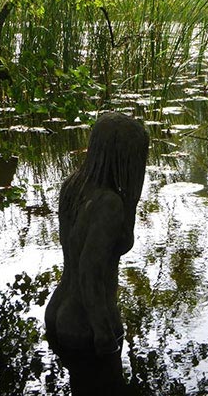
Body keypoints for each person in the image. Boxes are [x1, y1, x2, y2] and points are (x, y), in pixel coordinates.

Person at [45, 112, 149, 362]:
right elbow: (89, 273)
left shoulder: (74, 184)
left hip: (58, 308)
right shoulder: (109, 205)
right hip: (88, 323)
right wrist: (105, 339)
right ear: (124, 156)